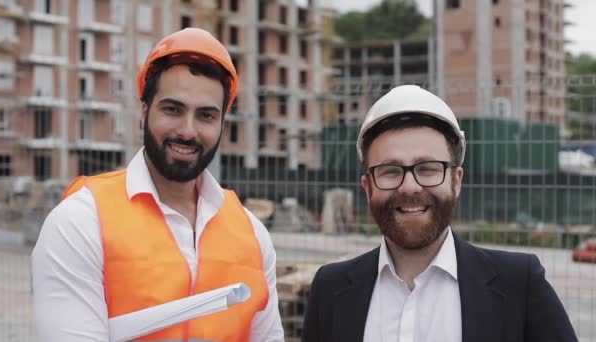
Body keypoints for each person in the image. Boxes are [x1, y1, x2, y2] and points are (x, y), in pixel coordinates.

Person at [31, 28, 284, 342]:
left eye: (206, 115)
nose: (188, 130)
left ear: (221, 124)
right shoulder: (81, 221)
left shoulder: (253, 234)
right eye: (173, 109)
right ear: (144, 111)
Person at [301, 85, 577, 342]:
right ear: (368, 187)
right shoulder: (330, 289)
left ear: (456, 182)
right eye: (390, 171)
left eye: (428, 169)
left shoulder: (519, 284)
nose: (410, 186)